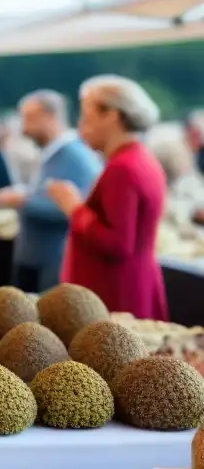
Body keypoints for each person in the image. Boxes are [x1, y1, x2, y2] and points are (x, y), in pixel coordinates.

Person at [47, 75, 168, 320]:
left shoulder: (122, 167)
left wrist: (73, 207)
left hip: (115, 294)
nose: (80, 126)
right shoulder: (139, 159)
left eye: (86, 115)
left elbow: (117, 243)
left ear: (111, 115)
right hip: (132, 284)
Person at [0, 90, 101, 292]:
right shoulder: (52, 153)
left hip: (53, 263)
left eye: (30, 118)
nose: (24, 127)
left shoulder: (75, 156)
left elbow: (76, 209)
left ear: (51, 116)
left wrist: (23, 200)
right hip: (38, 259)